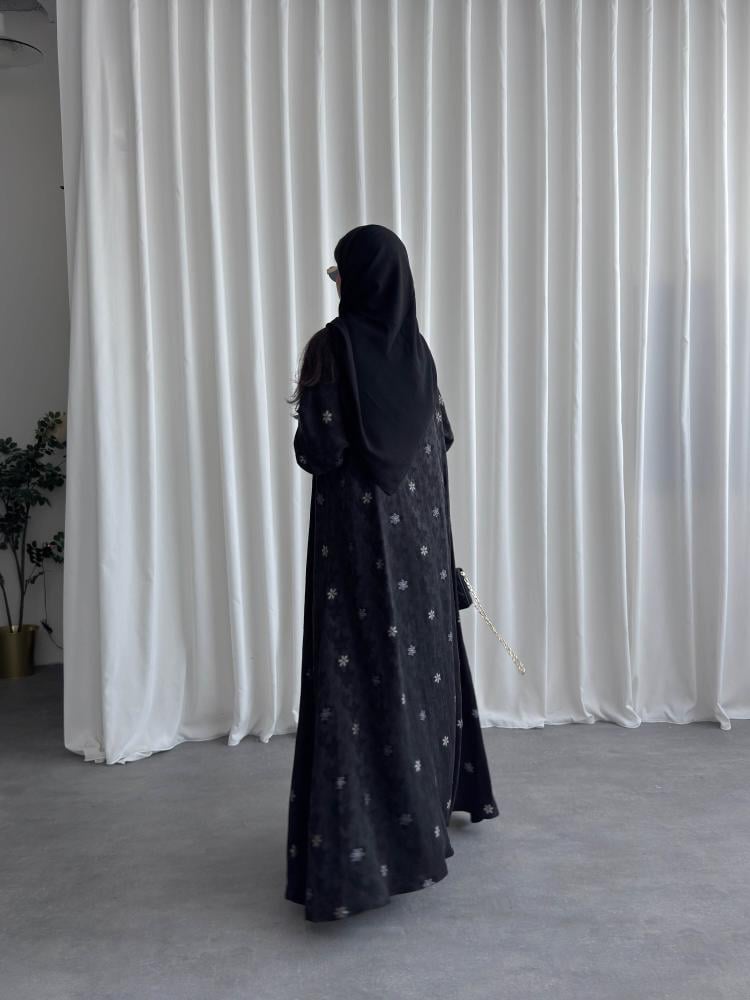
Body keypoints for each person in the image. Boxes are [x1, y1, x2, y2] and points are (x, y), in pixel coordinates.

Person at [285, 223, 498, 922]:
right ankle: (420, 819)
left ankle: (356, 858)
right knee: (416, 673)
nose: (335, 284)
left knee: (353, 677)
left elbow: (318, 449)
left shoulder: (331, 348)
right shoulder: (418, 353)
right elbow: (440, 442)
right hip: (422, 548)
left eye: (338, 272)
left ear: (358, 278)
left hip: (355, 548)